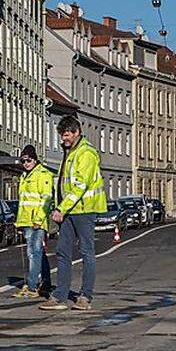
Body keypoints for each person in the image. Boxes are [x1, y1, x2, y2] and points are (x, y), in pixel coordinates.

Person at [41, 115, 106, 311]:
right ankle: (60, 295)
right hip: (70, 210)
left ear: (77, 132)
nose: (64, 139)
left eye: (67, 135)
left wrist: (61, 208)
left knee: (87, 252)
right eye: (62, 136)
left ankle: (85, 296)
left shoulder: (85, 153)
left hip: (84, 209)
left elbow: (79, 186)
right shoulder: (70, 152)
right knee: (62, 251)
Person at [12, 145, 53, 300]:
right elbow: (23, 202)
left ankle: (32, 286)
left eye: (28, 160)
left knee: (33, 254)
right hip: (27, 221)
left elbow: (46, 199)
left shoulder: (43, 174)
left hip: (37, 221)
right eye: (23, 161)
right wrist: (20, 224)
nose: (26, 163)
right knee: (38, 254)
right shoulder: (24, 176)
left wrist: (38, 220)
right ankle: (46, 283)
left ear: (35, 159)